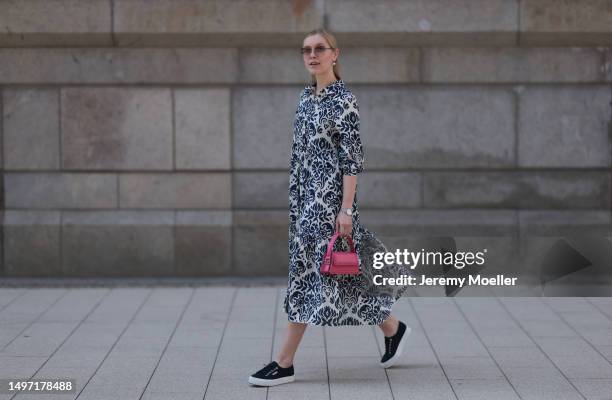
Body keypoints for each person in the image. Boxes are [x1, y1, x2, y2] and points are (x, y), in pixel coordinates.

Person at [248, 28, 411, 387]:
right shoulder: (306, 99)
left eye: (320, 48)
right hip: (305, 202)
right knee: (341, 278)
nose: (312, 54)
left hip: (329, 206)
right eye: (306, 49)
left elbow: (352, 160)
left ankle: (284, 362)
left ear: (335, 54)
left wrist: (346, 210)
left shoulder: (344, 100)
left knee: (308, 278)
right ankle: (393, 328)